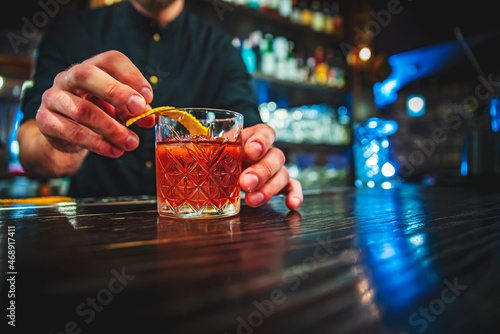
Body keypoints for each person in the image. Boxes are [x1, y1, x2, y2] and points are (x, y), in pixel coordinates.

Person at [17, 0, 303, 210]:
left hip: (198, 239)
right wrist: (64, 142)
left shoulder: (219, 47)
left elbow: (245, 130)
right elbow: (30, 149)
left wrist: (260, 162)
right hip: (91, 237)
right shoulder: (71, 29)